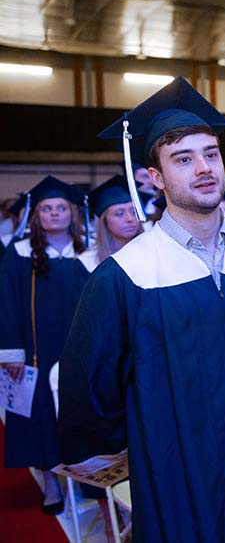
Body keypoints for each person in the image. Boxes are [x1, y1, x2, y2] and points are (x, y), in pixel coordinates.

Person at [59, 77, 225, 542]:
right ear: (155, 177)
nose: (203, 168)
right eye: (183, 158)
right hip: (180, 467)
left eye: (210, 154)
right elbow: (92, 385)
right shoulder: (128, 274)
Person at [0, 176, 92, 515]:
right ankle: (51, 481)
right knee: (42, 418)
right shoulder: (20, 255)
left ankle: (87, 478)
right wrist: (11, 353)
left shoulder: (87, 253)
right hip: (37, 351)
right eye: (46, 209)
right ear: (36, 216)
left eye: (61, 208)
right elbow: (6, 305)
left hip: (80, 353)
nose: (55, 214)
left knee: (82, 414)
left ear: (72, 213)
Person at [81, 174, 144, 270]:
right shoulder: (88, 262)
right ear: (104, 221)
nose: (130, 219)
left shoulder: (153, 254)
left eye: (134, 212)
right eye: (119, 213)